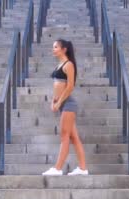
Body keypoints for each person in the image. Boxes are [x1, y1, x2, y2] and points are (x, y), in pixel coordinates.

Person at [42, 39, 89, 176]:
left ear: (64, 49)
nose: (53, 49)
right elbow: (56, 86)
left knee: (64, 136)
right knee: (74, 137)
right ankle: (83, 168)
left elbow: (69, 87)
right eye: (53, 47)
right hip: (62, 105)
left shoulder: (68, 65)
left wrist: (59, 102)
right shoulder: (59, 64)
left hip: (68, 104)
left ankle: (57, 168)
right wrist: (53, 101)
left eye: (56, 47)